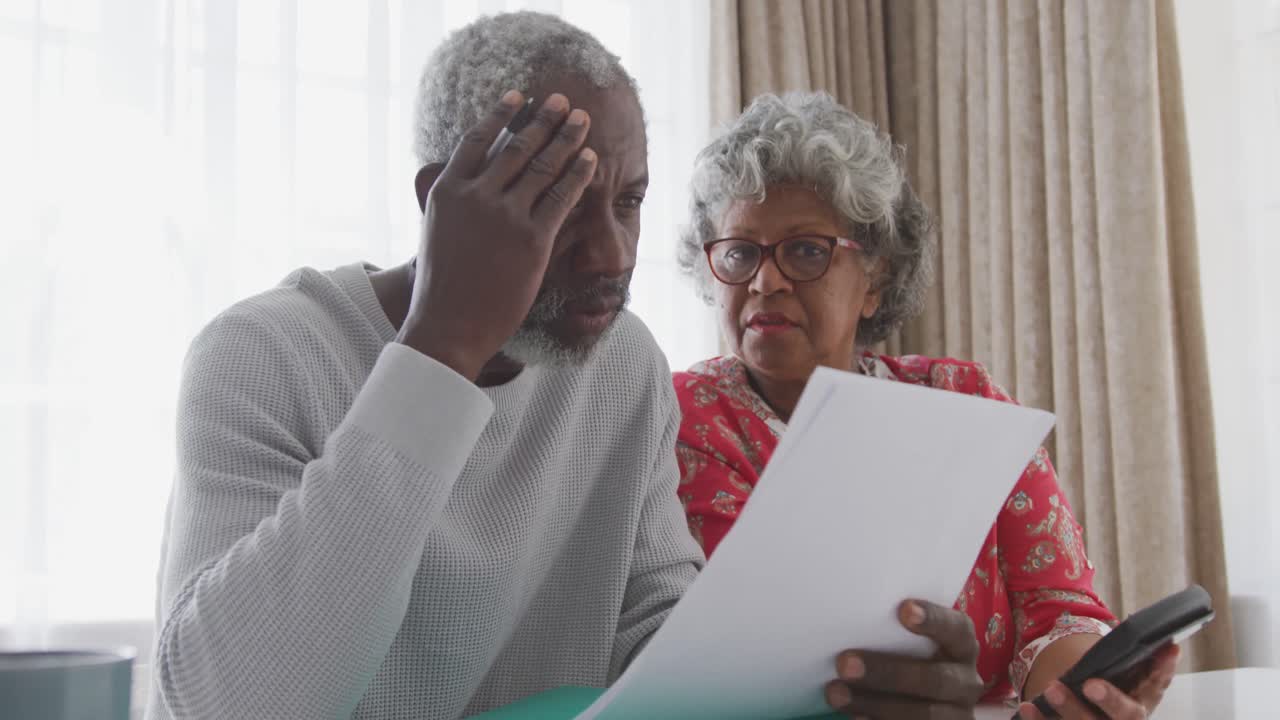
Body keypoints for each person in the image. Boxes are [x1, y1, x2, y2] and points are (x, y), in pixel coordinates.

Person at [148, 14, 976, 720]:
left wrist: (837, 687)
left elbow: (658, 648)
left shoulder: (622, 368)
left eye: (627, 202)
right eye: (563, 204)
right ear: (447, 203)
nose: (612, 255)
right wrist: (442, 348)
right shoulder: (265, 356)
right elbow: (234, 699)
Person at [673, 91, 1180, 719]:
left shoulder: (964, 401)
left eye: (806, 250)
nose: (764, 280)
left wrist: (1083, 698)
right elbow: (768, 662)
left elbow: (1058, 611)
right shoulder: (690, 418)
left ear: (876, 278)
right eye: (739, 251)